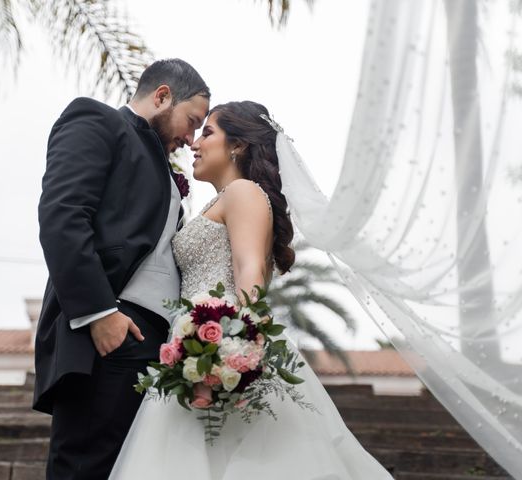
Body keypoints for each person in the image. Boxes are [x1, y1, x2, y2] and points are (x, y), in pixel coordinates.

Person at [108, 101, 395, 479]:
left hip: (217, 344)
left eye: (208, 132)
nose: (195, 143)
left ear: (237, 146)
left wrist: (235, 344)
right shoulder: (227, 198)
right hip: (197, 345)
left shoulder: (242, 191)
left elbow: (250, 267)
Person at [33, 58, 210, 479]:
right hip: (110, 333)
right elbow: (62, 215)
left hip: (155, 346)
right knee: (85, 467)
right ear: (162, 95)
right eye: (191, 121)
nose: (190, 138)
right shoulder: (95, 119)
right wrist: (99, 313)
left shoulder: (160, 161)